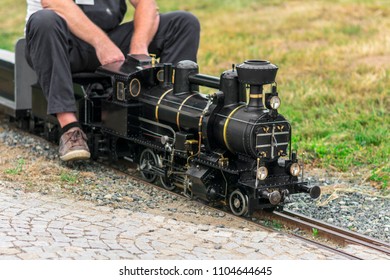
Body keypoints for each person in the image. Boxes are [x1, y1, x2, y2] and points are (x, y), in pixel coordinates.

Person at [24, 0, 200, 161]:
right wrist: (101, 43)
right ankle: (70, 130)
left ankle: (170, 118)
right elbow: (55, 4)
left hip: (110, 43)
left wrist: (138, 47)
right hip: (60, 46)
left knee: (183, 23)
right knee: (44, 20)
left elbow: (146, 3)